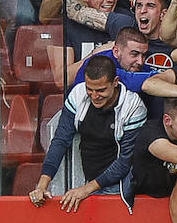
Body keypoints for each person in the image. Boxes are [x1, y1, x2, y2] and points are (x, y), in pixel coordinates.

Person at [30, 53, 147, 210]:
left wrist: (86, 190)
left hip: (118, 188)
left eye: (101, 90)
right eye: (89, 89)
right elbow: (60, 140)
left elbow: (126, 161)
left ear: (115, 82)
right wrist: (43, 184)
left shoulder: (133, 107)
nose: (94, 96)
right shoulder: (78, 94)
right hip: (88, 180)